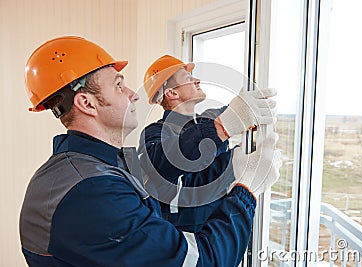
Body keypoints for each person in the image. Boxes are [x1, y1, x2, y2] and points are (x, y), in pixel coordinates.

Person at [19, 36, 281, 267]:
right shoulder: (91, 191)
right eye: (119, 85)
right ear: (86, 103)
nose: (134, 95)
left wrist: (233, 165)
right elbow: (201, 261)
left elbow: (186, 175)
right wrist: (246, 189)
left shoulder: (104, 165)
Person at [138, 55, 277, 232]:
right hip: (187, 236)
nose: (197, 80)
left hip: (219, 226)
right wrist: (234, 161)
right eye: (188, 79)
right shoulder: (155, 133)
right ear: (172, 93)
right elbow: (187, 183)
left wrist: (246, 108)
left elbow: (228, 115)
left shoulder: (204, 122)